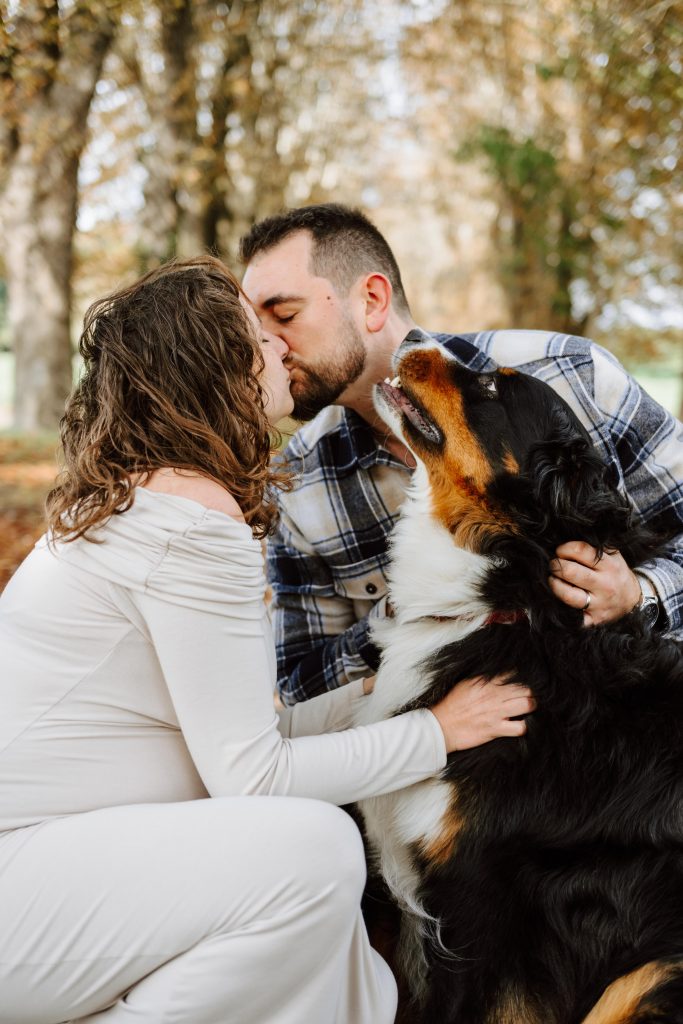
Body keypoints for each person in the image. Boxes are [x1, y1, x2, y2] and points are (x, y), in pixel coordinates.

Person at [0, 256, 534, 1024]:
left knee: (320, 921)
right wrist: (435, 732)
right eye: (259, 336)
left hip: (58, 866)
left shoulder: (143, 496)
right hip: (26, 885)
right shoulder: (191, 520)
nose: (282, 348)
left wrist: (374, 700)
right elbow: (251, 779)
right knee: (309, 849)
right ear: (216, 367)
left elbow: (231, 736)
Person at [239, 204, 683, 705]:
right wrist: (416, 613)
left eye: (285, 315)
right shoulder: (298, 477)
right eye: (255, 328)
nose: (267, 348)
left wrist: (641, 594)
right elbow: (297, 681)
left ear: (371, 299)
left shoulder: (573, 377)